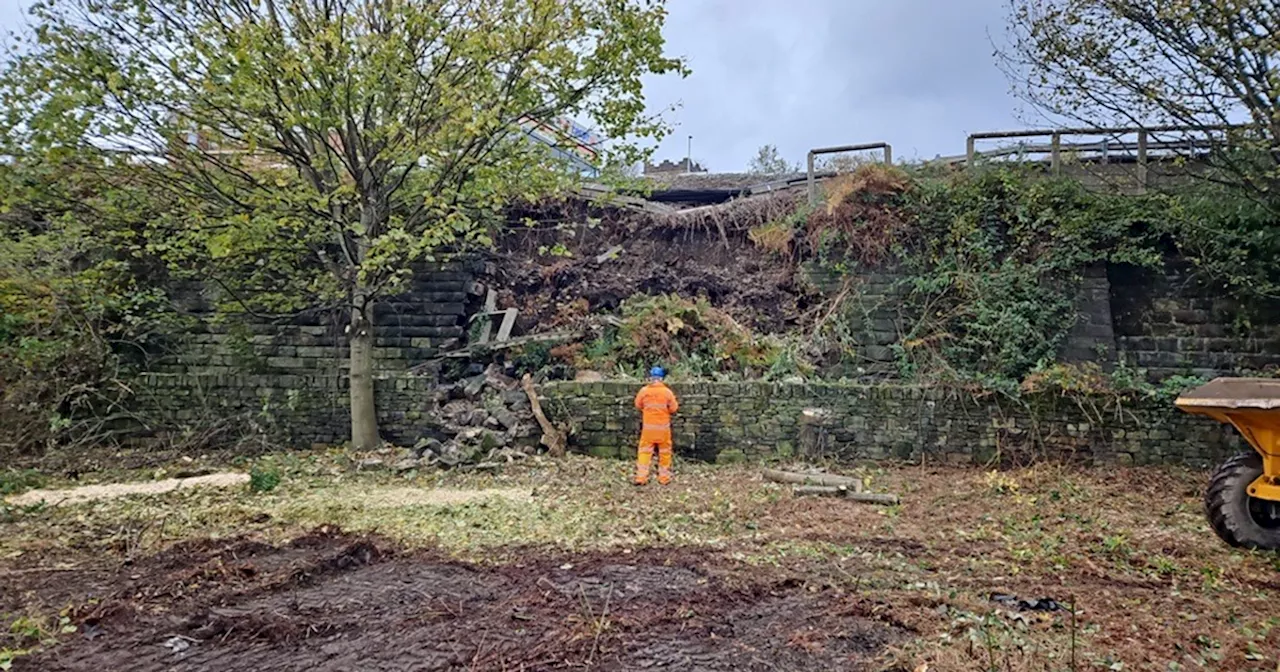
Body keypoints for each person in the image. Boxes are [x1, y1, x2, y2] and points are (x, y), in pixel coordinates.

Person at [633, 366, 679, 485]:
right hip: (663, 430)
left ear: (650, 378)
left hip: (648, 430)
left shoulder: (644, 391)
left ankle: (641, 477)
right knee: (665, 453)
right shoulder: (667, 392)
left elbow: (638, 405)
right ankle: (664, 478)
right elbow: (674, 408)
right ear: (662, 379)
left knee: (644, 452)